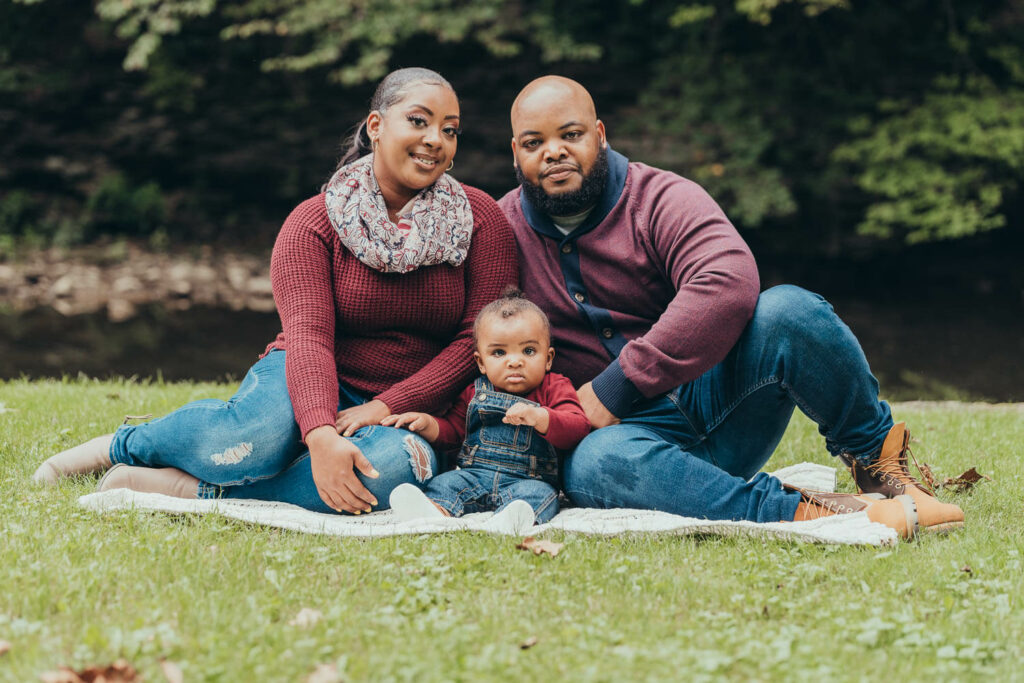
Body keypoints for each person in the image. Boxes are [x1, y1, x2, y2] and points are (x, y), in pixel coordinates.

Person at [32, 67, 518, 515]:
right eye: (419, 121)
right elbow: (309, 337)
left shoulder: (481, 221)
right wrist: (321, 431)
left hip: (411, 403)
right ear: (376, 125)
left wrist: (385, 407)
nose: (436, 140)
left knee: (393, 470)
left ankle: (189, 490)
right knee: (256, 437)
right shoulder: (312, 223)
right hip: (310, 371)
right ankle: (125, 444)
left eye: (450, 129)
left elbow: (473, 344)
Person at [496, 75, 964, 538]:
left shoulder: (659, 197)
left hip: (720, 400)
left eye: (570, 135)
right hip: (624, 446)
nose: (553, 151)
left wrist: (616, 387)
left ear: (599, 136)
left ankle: (879, 465)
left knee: (788, 311)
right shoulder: (500, 230)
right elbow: (469, 333)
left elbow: (727, 279)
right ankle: (814, 514)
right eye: (535, 142)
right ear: (516, 154)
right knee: (592, 464)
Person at [385, 287, 590, 530]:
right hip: (475, 474)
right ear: (481, 362)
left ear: (548, 358)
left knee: (537, 495)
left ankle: (511, 518)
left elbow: (578, 427)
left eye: (529, 351)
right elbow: (455, 431)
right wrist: (429, 425)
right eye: (499, 352)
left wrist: (541, 417)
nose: (514, 361)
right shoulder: (475, 391)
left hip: (528, 479)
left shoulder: (554, 386)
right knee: (447, 483)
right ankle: (434, 510)